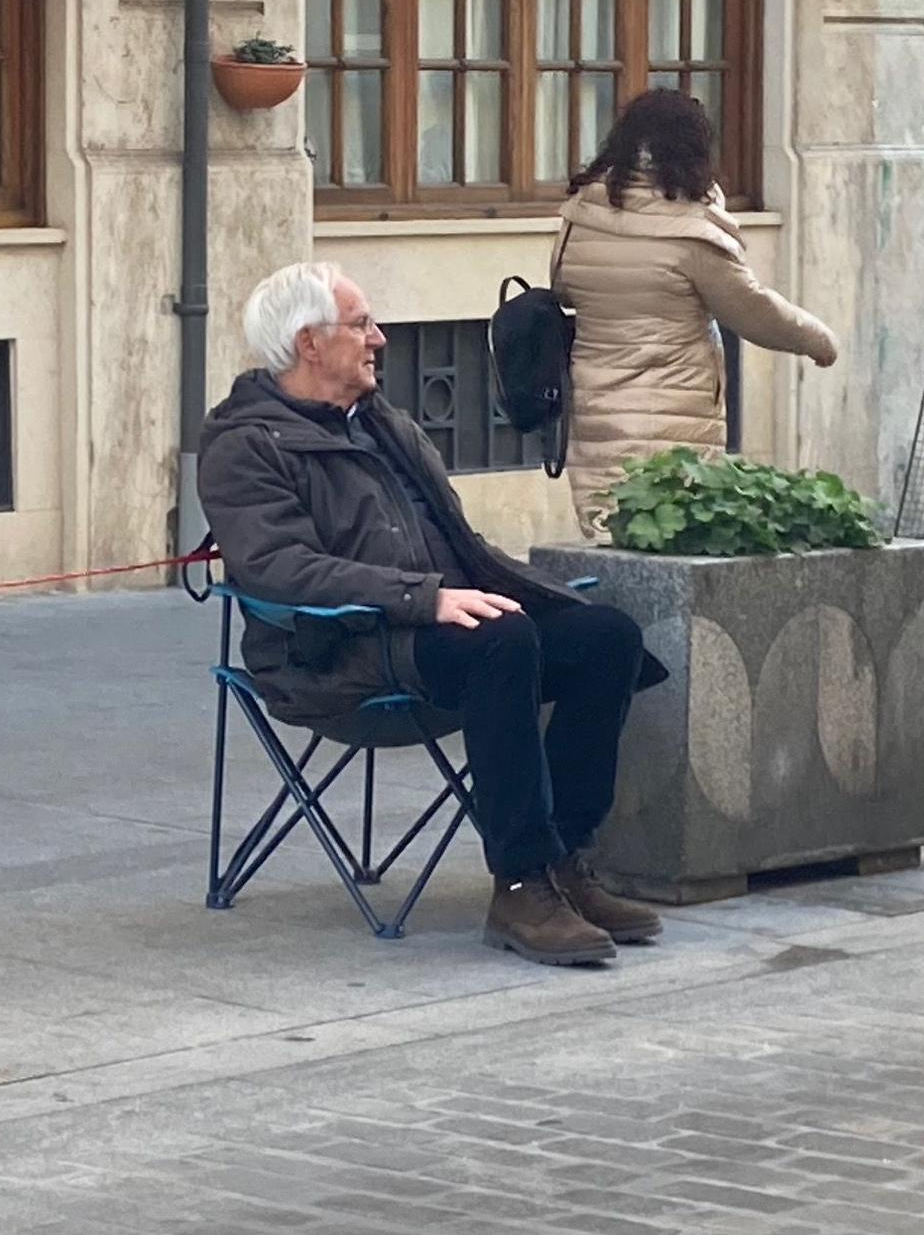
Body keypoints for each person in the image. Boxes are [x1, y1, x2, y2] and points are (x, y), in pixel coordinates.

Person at [198, 262, 670, 967]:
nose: (378, 339)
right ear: (309, 343)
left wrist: (530, 590)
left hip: (432, 630)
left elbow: (458, 542)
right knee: (501, 644)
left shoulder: (383, 424)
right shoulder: (244, 445)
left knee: (604, 636)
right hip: (333, 652)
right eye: (360, 325)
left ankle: (563, 861)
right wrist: (425, 599)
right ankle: (519, 883)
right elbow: (281, 569)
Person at [553, 89, 840, 533]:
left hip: (596, 411)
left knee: (613, 546)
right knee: (669, 542)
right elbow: (752, 310)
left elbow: (563, 287)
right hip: (673, 416)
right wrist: (818, 340)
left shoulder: (582, 214)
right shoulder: (689, 231)